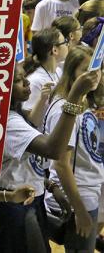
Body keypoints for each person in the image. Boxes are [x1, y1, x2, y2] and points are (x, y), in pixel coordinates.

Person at [0, 58, 100, 253]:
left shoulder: (18, 116)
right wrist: (75, 96)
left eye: (24, 77)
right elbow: (54, 151)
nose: (26, 82)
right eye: (18, 80)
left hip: (31, 199)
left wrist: (49, 185)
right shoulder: (7, 123)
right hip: (15, 206)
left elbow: (25, 167)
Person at [44, 46, 104, 253]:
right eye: (86, 70)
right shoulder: (64, 109)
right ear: (71, 73)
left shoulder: (85, 100)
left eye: (97, 69)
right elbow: (61, 164)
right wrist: (80, 211)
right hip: (78, 198)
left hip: (90, 191)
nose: (93, 76)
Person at [22, 28, 68, 115]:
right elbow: (30, 120)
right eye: (64, 42)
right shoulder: (35, 81)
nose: (67, 45)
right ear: (54, 50)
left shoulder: (58, 71)